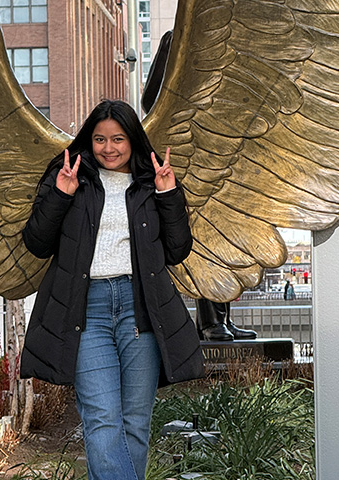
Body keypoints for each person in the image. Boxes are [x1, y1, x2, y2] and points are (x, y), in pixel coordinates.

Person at [20, 99, 204, 480]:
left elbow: (177, 250)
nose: (109, 148)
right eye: (100, 139)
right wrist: (61, 194)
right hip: (86, 312)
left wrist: (169, 194)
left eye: (118, 139)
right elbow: (36, 243)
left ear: (133, 140)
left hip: (142, 311)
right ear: (90, 139)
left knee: (135, 424)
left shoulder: (151, 182)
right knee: (103, 421)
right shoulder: (71, 176)